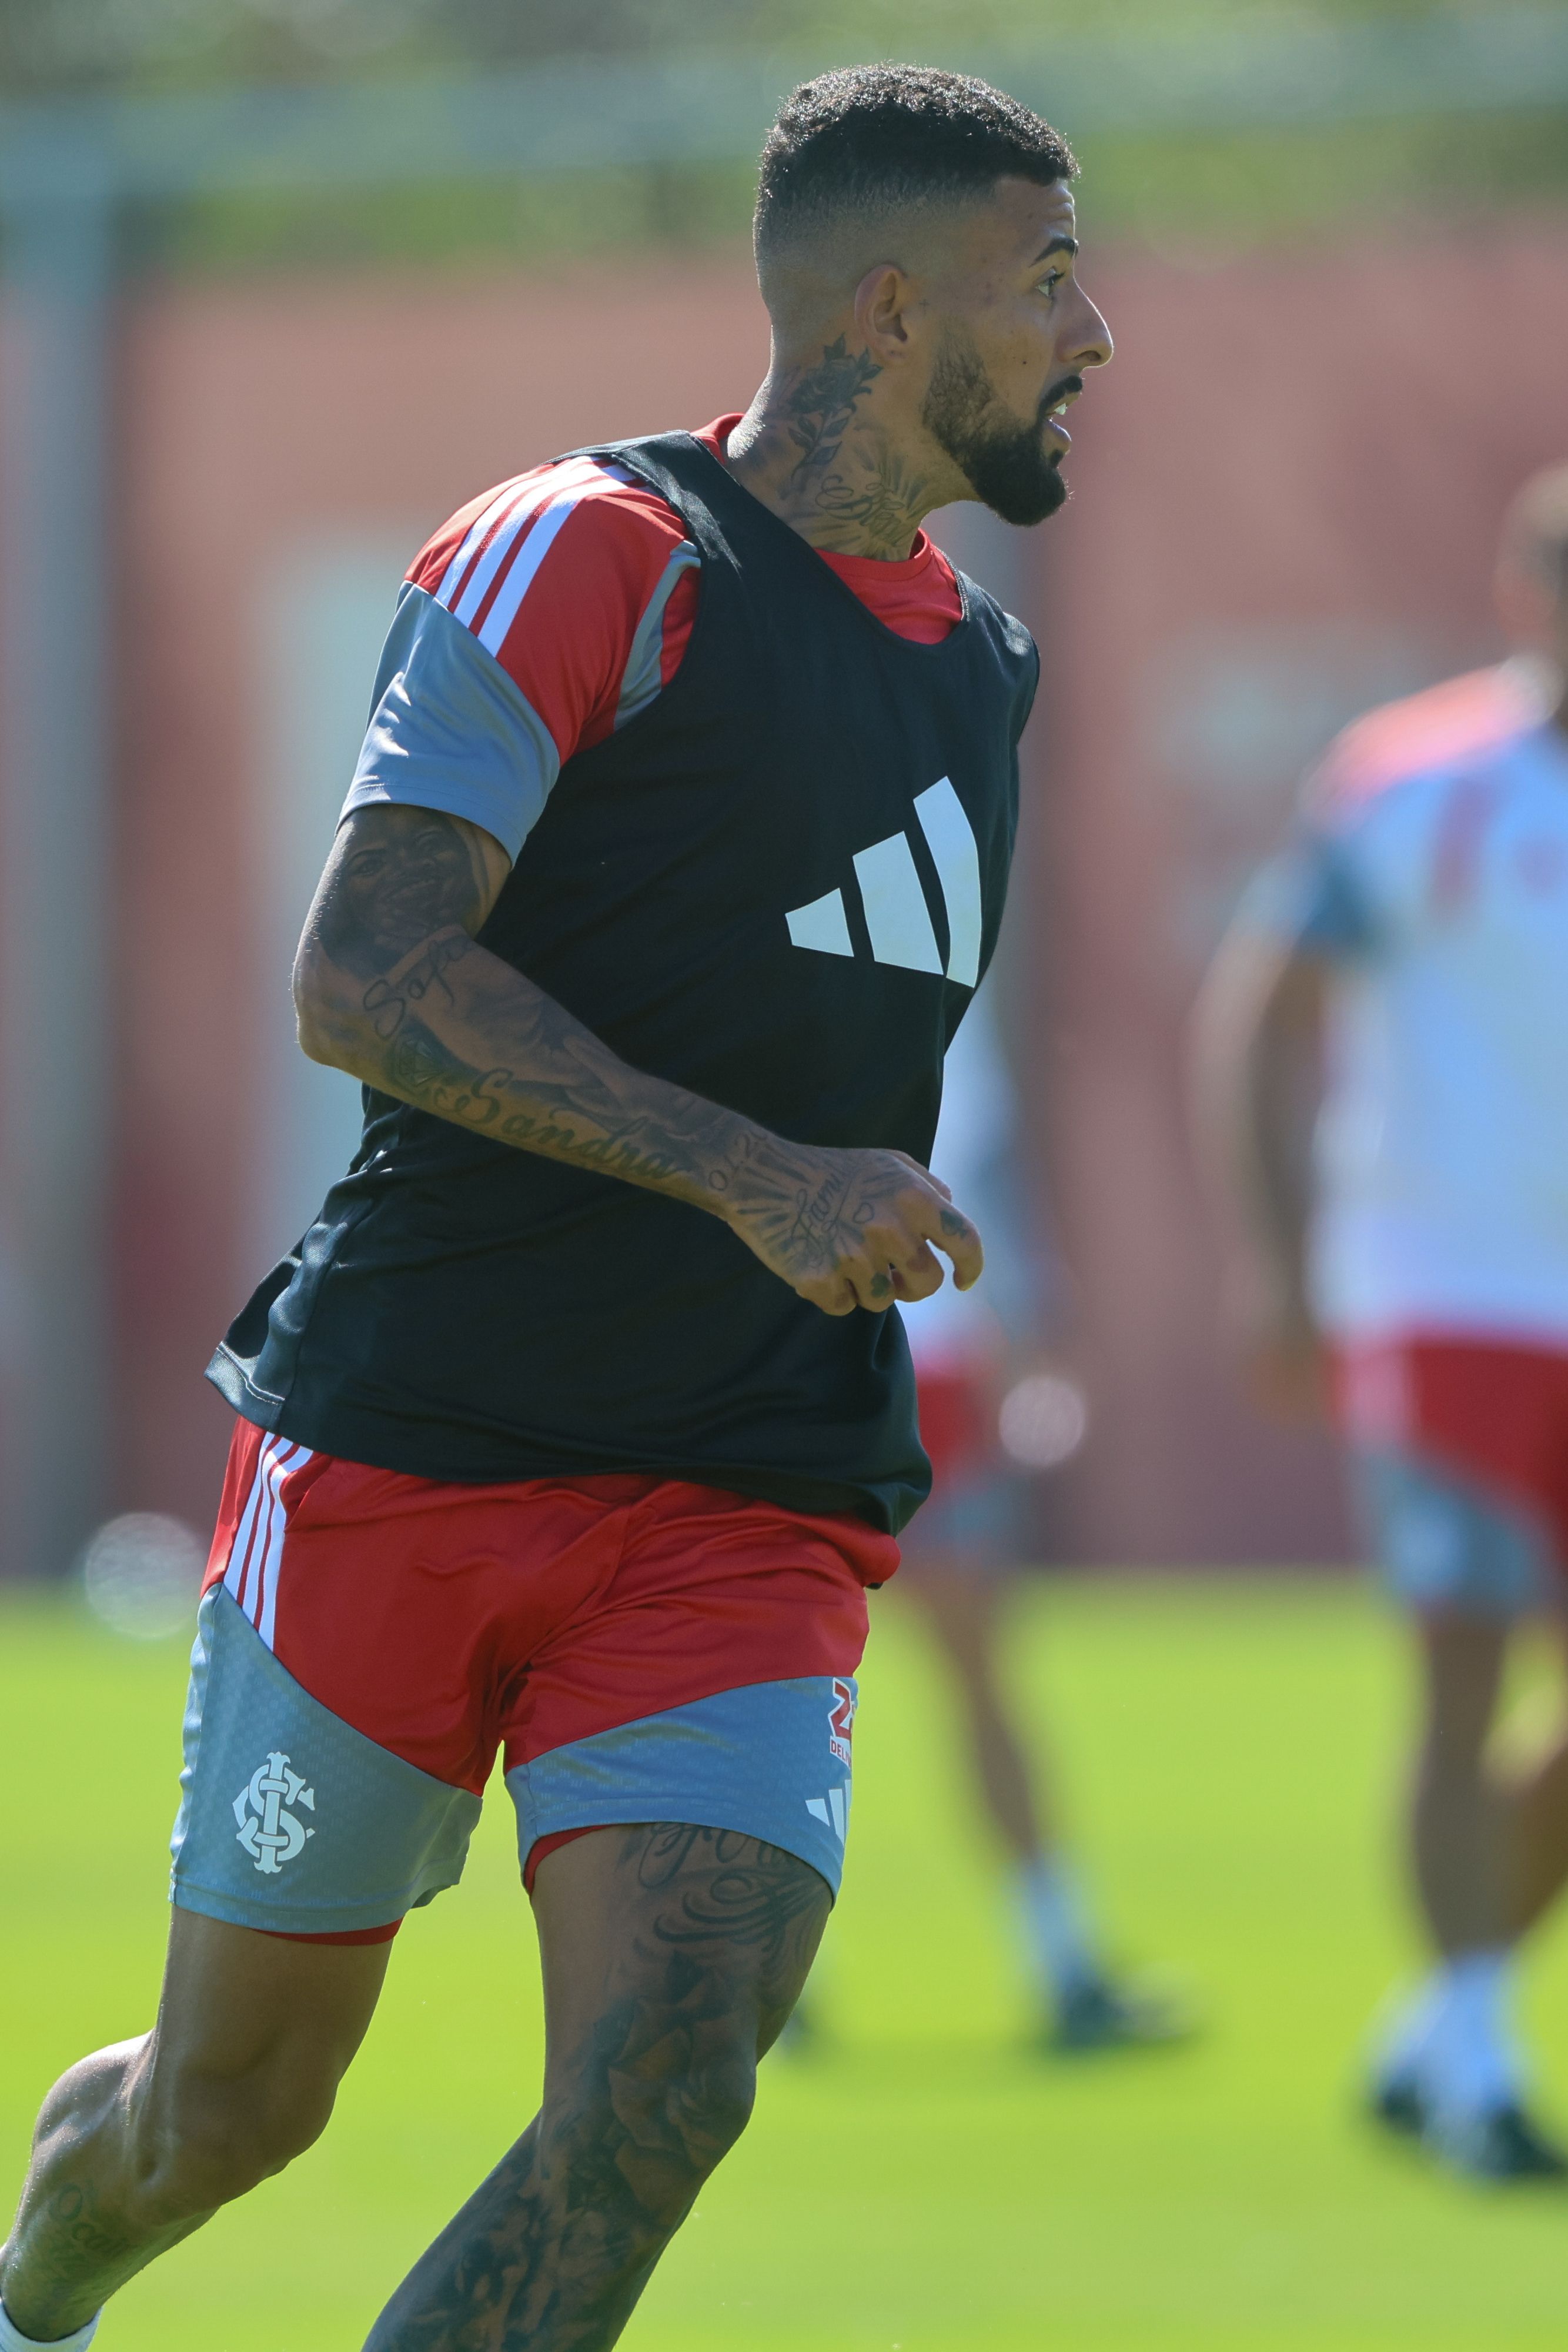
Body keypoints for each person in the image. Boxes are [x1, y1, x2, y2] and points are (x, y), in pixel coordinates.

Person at [0, 65, 1113, 2352]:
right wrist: (756, 1174)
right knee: (220, 2115)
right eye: (1048, 279)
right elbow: (361, 971)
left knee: (662, 2090)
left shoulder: (986, 670)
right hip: (414, 1447)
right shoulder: (594, 550)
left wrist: (818, 1210)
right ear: (886, 312)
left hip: (746, 1489)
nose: (1091, 333)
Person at [1193, 465, 1568, 2182]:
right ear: (1522, 597)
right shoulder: (1410, 779)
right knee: (1459, 1664)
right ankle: (1480, 2060)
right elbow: (1259, 1011)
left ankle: (1433, 2017)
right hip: (1442, 1292)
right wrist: (1276, 1259)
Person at [897, 979, 1188, 2050]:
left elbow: (986, 1174)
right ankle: (748, 1975)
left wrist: (1029, 1329)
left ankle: (1061, 1956)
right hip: (827, 1367)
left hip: (925, 1369)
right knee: (775, 1679)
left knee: (974, 1674)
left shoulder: (949, 984)